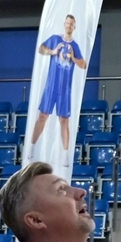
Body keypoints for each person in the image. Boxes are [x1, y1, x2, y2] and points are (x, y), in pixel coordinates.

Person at [28, 14, 87, 155]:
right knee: (42, 116)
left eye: (71, 24)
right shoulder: (55, 39)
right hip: (51, 87)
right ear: (64, 24)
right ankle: (31, 147)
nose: (69, 26)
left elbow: (84, 65)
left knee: (64, 121)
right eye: (67, 23)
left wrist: (73, 57)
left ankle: (66, 155)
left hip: (65, 90)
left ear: (74, 27)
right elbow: (40, 49)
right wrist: (53, 52)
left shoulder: (75, 46)